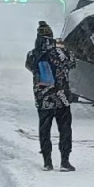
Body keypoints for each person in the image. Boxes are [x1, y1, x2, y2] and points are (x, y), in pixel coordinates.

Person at [24, 20, 76, 171]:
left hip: (43, 99)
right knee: (65, 129)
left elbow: (29, 67)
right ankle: (65, 161)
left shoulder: (32, 54)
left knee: (44, 130)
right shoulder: (61, 53)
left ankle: (47, 162)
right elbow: (73, 62)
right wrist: (60, 48)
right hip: (62, 98)